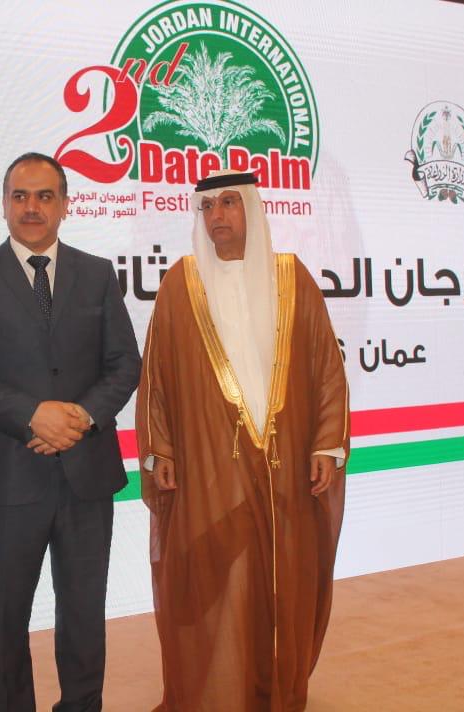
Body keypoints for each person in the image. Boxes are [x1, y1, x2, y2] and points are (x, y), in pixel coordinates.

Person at [136, 170, 349, 711]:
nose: (218, 216)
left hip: (286, 463)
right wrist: (160, 448)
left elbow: (327, 366)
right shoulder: (181, 284)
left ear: (251, 208)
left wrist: (326, 444)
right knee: (215, 583)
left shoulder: (292, 278)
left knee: (280, 581)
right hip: (208, 466)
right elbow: (156, 375)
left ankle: (271, 690)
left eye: (229, 203)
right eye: (207, 207)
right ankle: (216, 693)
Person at [0, 152, 141, 711]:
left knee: (84, 614)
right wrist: (33, 415)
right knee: (5, 619)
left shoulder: (97, 274)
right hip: (9, 479)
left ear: (65, 205)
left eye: (45, 196)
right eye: (20, 196)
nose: (32, 207)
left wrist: (80, 417)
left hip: (87, 476)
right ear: (4, 204)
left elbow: (124, 363)